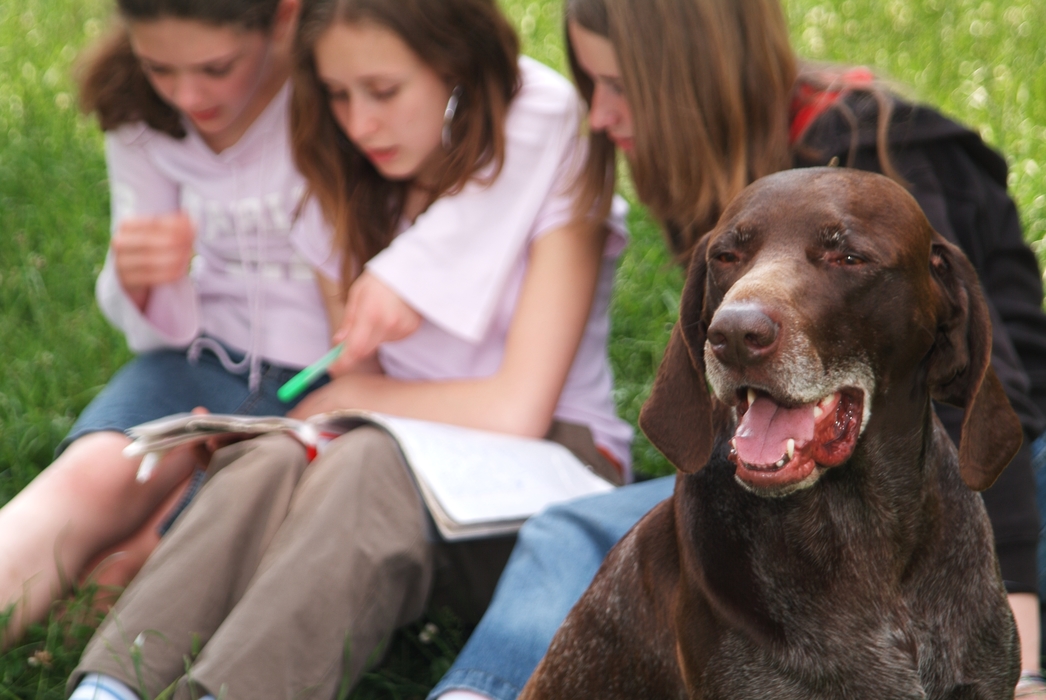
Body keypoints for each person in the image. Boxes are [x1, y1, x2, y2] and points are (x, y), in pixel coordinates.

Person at [428, 0, 1046, 699]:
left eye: (620, 86)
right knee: (574, 526)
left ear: (685, 77)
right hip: (802, 443)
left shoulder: (890, 151)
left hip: (1002, 458)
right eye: (730, 261)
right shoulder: (747, 195)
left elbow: (996, 391)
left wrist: (1017, 651)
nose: (598, 116)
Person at [66, 0, 633, 697]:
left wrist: (359, 399)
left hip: (552, 471)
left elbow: (517, 408)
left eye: (385, 91)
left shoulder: (552, 173)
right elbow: (358, 373)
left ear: (451, 67)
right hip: (400, 474)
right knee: (269, 456)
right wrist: (337, 411)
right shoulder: (343, 185)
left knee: (364, 453)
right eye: (337, 94)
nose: (361, 123)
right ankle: (108, 687)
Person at [0, 0, 340, 645]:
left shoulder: (333, 88)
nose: (188, 94)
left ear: (284, 17)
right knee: (89, 479)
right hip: (194, 359)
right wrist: (137, 277)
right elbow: (153, 335)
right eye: (161, 66)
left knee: (162, 558)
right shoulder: (139, 107)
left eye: (216, 67)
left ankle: (150, 541)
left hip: (323, 382)